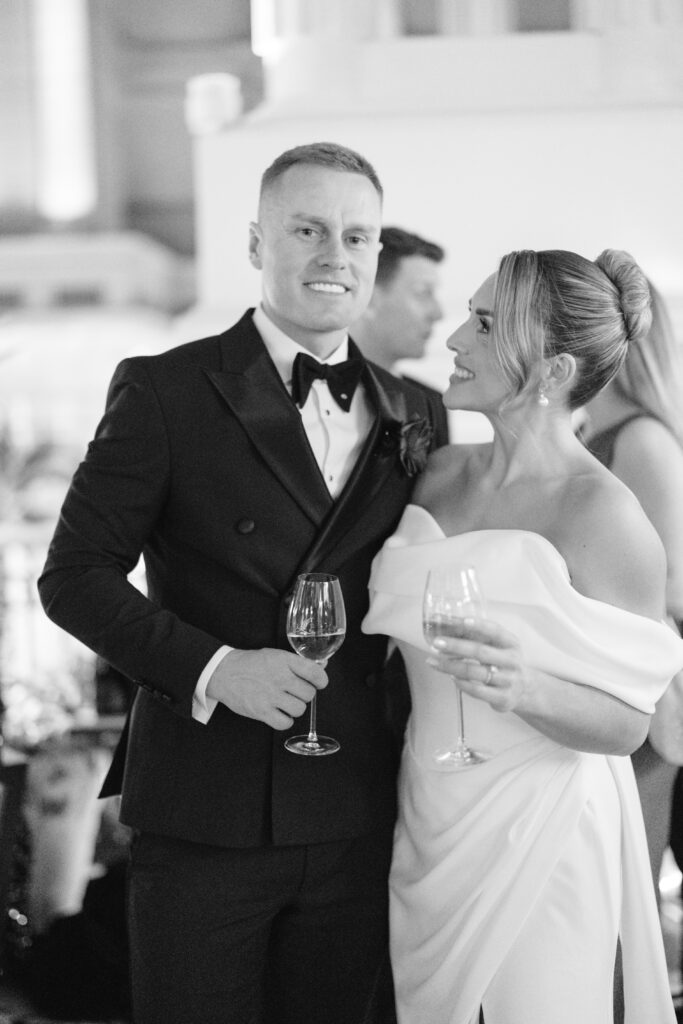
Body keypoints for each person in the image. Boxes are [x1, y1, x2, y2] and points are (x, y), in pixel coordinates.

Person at [37, 141, 444, 1024]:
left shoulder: (419, 413)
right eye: (307, 229)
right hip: (207, 809)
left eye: (357, 235)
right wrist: (217, 667)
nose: (334, 255)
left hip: (364, 807)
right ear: (257, 244)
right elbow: (72, 576)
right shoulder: (165, 391)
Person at [362, 248, 683, 1023]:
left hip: (545, 824)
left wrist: (526, 686)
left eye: (481, 324)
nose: (454, 341)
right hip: (428, 805)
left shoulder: (601, 513)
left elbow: (631, 723)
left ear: (549, 372)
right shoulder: (435, 471)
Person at [581, 281, 683, 888]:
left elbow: (672, 588)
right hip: (601, 686)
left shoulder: (643, 440)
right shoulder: (593, 430)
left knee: (626, 885)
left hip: (636, 693)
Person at [351, 226, 450, 446]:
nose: (438, 313)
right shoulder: (295, 388)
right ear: (369, 298)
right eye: (423, 293)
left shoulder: (431, 404)